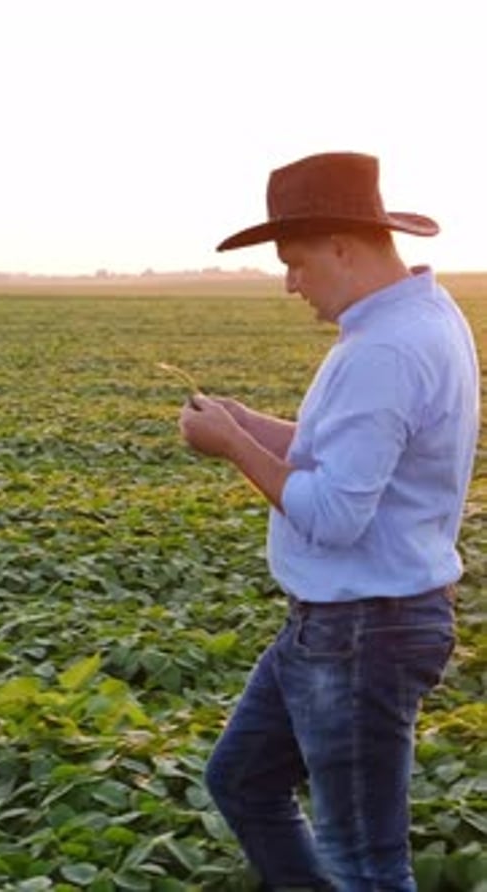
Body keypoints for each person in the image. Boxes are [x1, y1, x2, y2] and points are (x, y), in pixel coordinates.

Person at [179, 152, 479, 892]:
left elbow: (333, 513)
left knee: (367, 869)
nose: (289, 284)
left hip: (360, 628)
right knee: (243, 779)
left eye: (296, 263)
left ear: (342, 246)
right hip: (341, 622)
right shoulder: (423, 315)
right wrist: (253, 422)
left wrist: (232, 446)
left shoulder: (385, 350)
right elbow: (353, 460)